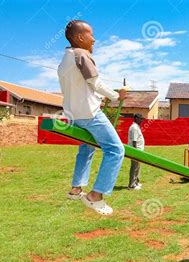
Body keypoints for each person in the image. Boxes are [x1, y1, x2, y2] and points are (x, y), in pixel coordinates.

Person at [59, 20, 127, 216]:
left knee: (87, 147)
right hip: (89, 113)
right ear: (80, 38)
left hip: (73, 114)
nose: (94, 39)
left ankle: (76, 188)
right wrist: (117, 95)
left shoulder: (65, 60)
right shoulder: (82, 55)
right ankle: (96, 196)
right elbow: (95, 83)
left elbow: (79, 87)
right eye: (91, 35)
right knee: (115, 150)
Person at [128, 113, 145, 190]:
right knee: (134, 167)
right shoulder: (134, 127)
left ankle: (136, 182)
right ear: (135, 118)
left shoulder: (136, 127)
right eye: (140, 118)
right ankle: (132, 185)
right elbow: (134, 141)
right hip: (136, 150)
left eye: (142, 119)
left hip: (138, 150)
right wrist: (136, 152)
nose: (141, 120)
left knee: (137, 167)